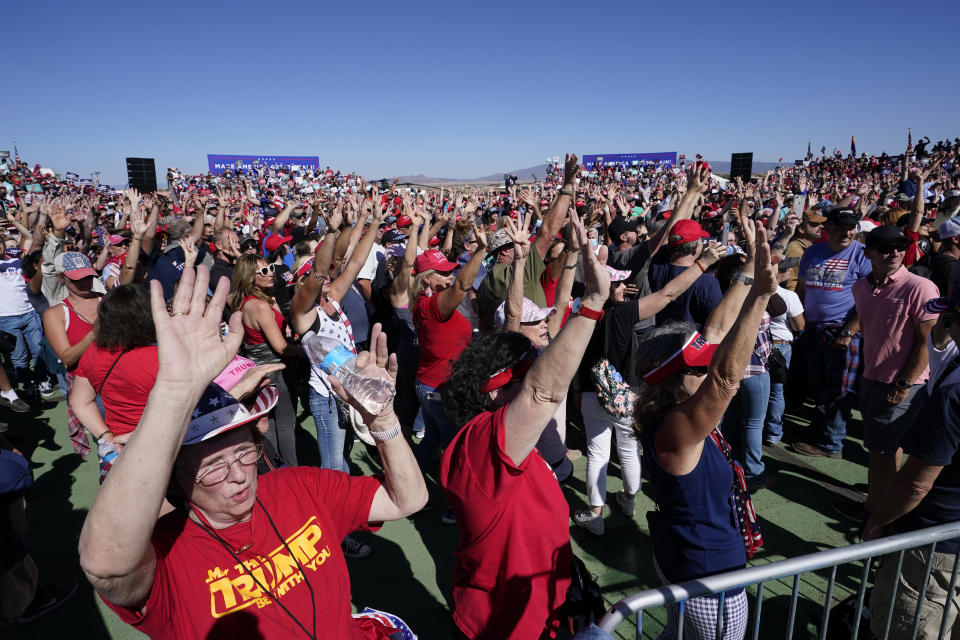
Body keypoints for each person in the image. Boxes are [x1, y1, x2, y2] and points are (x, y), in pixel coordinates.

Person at [78, 266, 428, 640]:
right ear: (173, 479)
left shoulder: (300, 486)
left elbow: (407, 500)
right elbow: (104, 565)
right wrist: (174, 394)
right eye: (212, 466)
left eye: (246, 452)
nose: (239, 474)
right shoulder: (165, 552)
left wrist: (383, 423)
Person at [439, 209, 610, 639]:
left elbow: (544, 337)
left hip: (541, 607)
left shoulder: (497, 434)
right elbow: (543, 392)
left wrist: (571, 257)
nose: (537, 374)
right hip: (510, 624)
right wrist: (593, 305)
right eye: (525, 374)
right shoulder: (485, 443)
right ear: (495, 392)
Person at [632, 221, 776, 640]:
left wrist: (752, 267)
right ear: (677, 379)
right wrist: (762, 297)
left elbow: (714, 330)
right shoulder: (677, 429)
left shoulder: (671, 408)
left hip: (686, 558)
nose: (708, 368)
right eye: (699, 368)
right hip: (708, 576)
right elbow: (726, 379)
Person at [573, 242, 725, 536]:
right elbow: (667, 295)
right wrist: (702, 265)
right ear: (608, 287)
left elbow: (574, 359)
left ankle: (595, 514)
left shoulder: (579, 315)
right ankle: (628, 501)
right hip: (627, 394)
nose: (623, 288)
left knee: (597, 453)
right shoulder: (621, 315)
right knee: (629, 452)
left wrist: (579, 390)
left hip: (591, 393)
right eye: (617, 283)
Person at [861, 289, 960, 639]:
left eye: (948, 319)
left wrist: (878, 521)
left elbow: (917, 482)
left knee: (911, 625)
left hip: (936, 538)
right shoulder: (950, 367)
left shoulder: (953, 392)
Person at [833, 225, 938, 522]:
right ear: (869, 254)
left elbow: (927, 341)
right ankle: (880, 503)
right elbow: (864, 313)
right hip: (872, 377)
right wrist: (848, 330)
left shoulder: (920, 287)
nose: (895, 253)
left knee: (883, 452)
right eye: (886, 248)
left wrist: (903, 383)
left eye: (899, 247)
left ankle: (878, 515)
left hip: (900, 384)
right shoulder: (862, 286)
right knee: (883, 451)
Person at [791, 207, 872, 458]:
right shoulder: (813, 252)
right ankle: (819, 430)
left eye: (851, 227)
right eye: (841, 227)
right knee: (818, 385)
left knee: (839, 390)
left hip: (843, 332)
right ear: (828, 228)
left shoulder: (862, 255)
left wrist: (849, 331)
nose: (847, 232)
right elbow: (803, 289)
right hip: (813, 329)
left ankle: (831, 443)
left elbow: (869, 299)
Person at [69, 285, 159, 472]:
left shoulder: (94, 352)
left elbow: (79, 402)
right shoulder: (159, 357)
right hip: (160, 443)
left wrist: (106, 437)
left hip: (119, 446)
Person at [230, 253, 302, 468]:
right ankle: (291, 470)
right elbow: (281, 346)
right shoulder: (260, 307)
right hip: (277, 370)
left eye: (270, 267)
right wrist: (303, 350)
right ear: (250, 278)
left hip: (258, 371)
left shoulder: (241, 301)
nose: (270, 273)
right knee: (286, 425)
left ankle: (271, 469)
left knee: (267, 421)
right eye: (263, 271)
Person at [41, 251, 104, 458]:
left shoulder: (109, 301)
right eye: (77, 278)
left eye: (88, 276)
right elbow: (67, 357)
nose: (85, 282)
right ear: (61, 278)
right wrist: (95, 333)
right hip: (91, 392)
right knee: (109, 448)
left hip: (125, 381)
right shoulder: (56, 313)